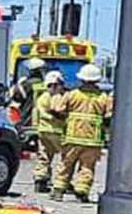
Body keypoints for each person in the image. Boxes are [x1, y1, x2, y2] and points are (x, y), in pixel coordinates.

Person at [47, 63, 115, 202]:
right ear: (97, 80)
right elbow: (109, 116)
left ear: (81, 79)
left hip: (72, 136)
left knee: (66, 164)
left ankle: (58, 191)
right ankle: (81, 192)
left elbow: (58, 110)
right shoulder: (103, 97)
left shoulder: (72, 94)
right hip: (93, 139)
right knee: (87, 167)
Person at [28, 69, 68, 193]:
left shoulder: (42, 97)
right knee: (65, 158)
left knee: (44, 156)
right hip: (57, 132)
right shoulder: (59, 97)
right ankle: (62, 182)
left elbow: (37, 113)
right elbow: (60, 113)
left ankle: (41, 179)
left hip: (43, 131)